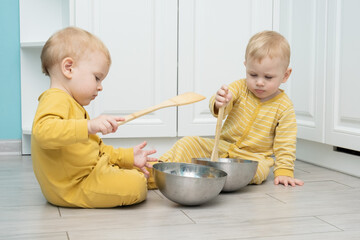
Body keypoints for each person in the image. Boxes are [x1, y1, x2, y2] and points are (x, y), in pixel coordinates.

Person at [31, 26, 157, 208]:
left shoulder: (72, 104)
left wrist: (128, 156)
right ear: (68, 68)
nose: (100, 87)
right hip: (73, 187)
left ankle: (149, 174)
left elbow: (94, 150)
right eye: (97, 78)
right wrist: (89, 126)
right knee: (135, 185)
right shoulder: (55, 98)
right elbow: (42, 133)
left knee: (139, 168)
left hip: (86, 173)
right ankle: (142, 178)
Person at [159, 31, 304, 187]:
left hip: (252, 157)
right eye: (253, 74)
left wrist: (284, 171)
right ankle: (160, 167)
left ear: (285, 75)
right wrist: (220, 102)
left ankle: (212, 176)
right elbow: (223, 105)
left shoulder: (284, 107)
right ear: (245, 67)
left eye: (268, 77)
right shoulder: (240, 88)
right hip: (221, 147)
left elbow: (286, 142)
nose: (259, 82)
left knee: (260, 170)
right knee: (188, 142)